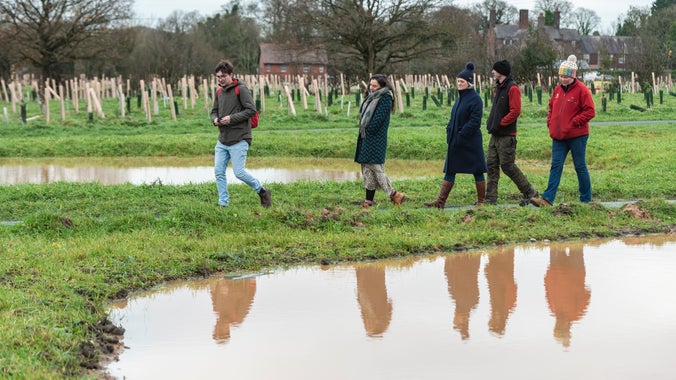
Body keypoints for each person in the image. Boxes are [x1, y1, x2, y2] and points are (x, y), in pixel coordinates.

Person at [530, 55, 595, 207]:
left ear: (572, 76)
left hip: (577, 136)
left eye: (566, 76)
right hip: (558, 136)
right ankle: (547, 199)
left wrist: (575, 122)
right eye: (561, 76)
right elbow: (551, 107)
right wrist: (550, 122)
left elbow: (590, 111)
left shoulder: (582, 91)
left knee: (580, 166)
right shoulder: (558, 90)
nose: (563, 79)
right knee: (556, 165)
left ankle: (586, 199)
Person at [425, 62, 487, 208]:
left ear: (469, 83)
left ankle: (482, 202)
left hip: (470, 142)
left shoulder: (476, 99)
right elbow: (454, 118)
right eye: (458, 81)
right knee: (450, 170)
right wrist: (450, 132)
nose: (459, 84)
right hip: (456, 141)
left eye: (462, 81)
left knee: (477, 170)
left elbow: (475, 122)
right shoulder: (459, 98)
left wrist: (461, 134)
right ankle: (440, 202)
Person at [211, 59, 271, 208]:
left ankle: (262, 191)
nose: (220, 79)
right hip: (222, 140)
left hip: (240, 138)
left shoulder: (241, 89)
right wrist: (215, 120)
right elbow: (214, 111)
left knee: (239, 173)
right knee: (218, 172)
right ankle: (223, 203)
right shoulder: (219, 91)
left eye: (223, 76)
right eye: (218, 77)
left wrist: (231, 119)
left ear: (231, 75)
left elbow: (251, 110)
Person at [485, 60, 538, 206]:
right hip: (495, 134)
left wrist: (501, 123)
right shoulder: (498, 87)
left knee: (507, 166)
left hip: (506, 136)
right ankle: (490, 199)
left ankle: (529, 191)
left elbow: (515, 111)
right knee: (491, 165)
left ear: (501, 71)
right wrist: (492, 124)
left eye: (494, 70)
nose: (492, 72)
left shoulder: (512, 88)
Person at [354, 74, 406, 208]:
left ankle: (394, 194)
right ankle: (368, 202)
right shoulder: (372, 97)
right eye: (370, 85)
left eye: (374, 86)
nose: (371, 88)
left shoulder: (385, 98)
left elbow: (377, 121)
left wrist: (368, 131)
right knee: (367, 169)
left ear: (382, 86)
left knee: (376, 168)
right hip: (367, 137)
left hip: (375, 139)